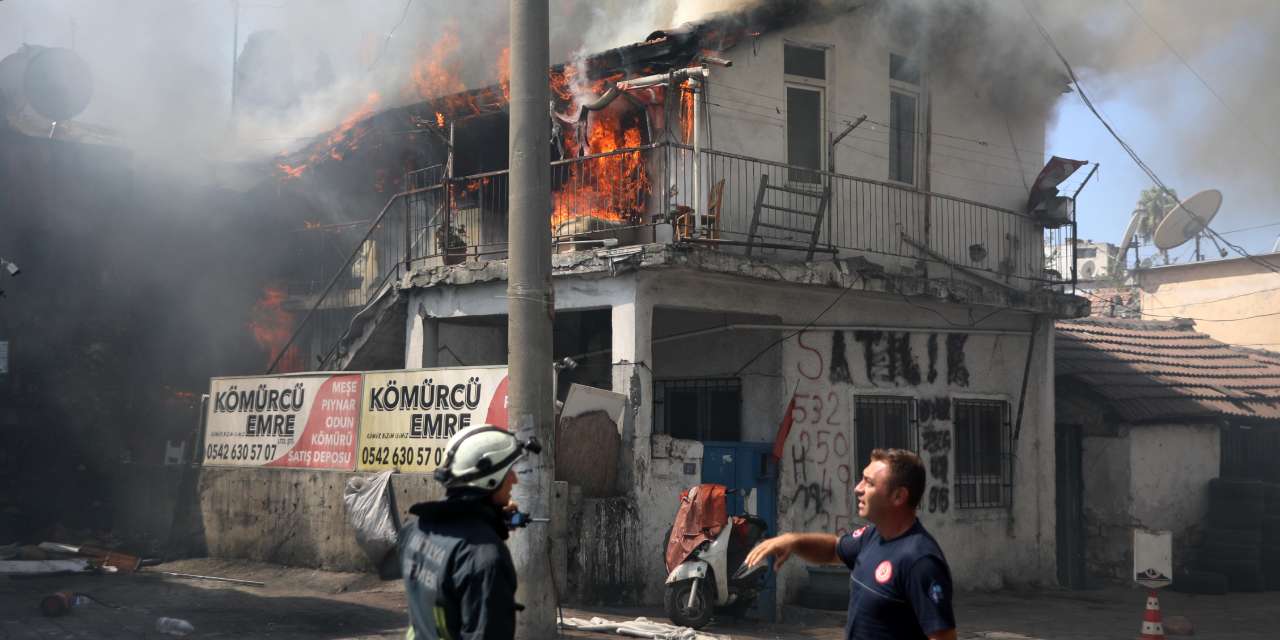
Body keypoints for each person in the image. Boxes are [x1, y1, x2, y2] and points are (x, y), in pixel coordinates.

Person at [745, 448, 956, 640]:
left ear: (898, 496)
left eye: (869, 483)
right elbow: (832, 550)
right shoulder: (872, 536)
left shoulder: (920, 561)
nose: (858, 488)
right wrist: (793, 541)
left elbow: (942, 636)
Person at [399, 425, 541, 640]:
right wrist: (483, 532)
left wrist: (488, 523)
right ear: (490, 479)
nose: (514, 479)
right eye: (508, 472)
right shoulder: (485, 558)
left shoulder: (415, 530)